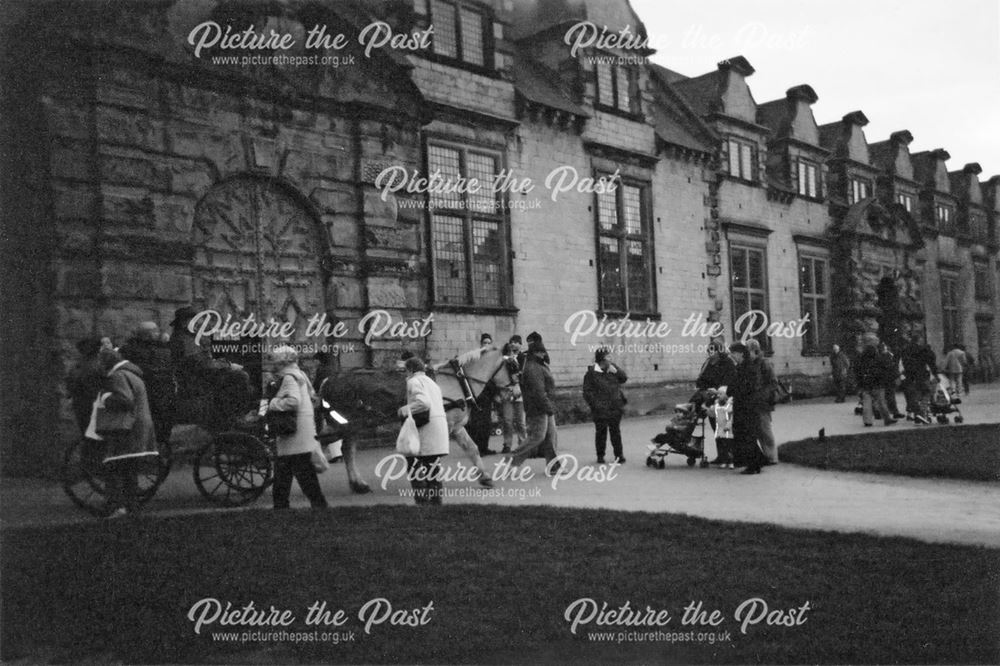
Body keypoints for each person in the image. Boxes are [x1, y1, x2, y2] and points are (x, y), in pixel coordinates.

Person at [97, 347, 158, 516]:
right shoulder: (132, 374)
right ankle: (132, 507)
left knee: (114, 467)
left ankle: (116, 506)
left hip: (127, 429)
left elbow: (125, 401)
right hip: (139, 427)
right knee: (129, 470)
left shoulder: (117, 376)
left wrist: (104, 397)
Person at [268, 346, 328, 510]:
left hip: (294, 432)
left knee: (292, 471)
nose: (271, 363)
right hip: (301, 430)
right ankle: (315, 505)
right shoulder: (299, 375)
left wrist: (272, 403)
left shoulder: (288, 378)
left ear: (281, 362)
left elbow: (293, 401)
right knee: (295, 471)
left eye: (273, 360)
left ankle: (284, 506)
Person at [169, 306, 251, 420]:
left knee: (236, 375)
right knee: (240, 376)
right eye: (195, 321)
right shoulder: (185, 339)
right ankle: (236, 417)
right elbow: (202, 364)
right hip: (195, 381)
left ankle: (233, 417)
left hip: (198, 376)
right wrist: (229, 365)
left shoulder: (188, 337)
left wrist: (223, 364)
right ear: (184, 323)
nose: (199, 323)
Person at [397, 356, 450, 505]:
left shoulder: (413, 381)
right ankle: (436, 502)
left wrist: (405, 409)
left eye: (405, 370)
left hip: (425, 430)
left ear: (411, 370)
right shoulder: (432, 383)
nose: (405, 374)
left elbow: (423, 402)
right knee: (432, 469)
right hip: (438, 429)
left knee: (413, 465)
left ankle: (421, 501)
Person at [120, 321, 176, 445]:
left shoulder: (163, 347)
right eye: (153, 331)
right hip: (147, 390)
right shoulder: (133, 349)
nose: (156, 333)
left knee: (162, 420)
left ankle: (160, 446)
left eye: (156, 331)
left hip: (161, 390)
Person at [509, 339, 560, 475]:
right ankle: (513, 459)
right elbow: (538, 392)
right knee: (537, 437)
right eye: (540, 351)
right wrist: (549, 408)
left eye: (543, 351)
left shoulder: (538, 365)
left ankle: (553, 466)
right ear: (535, 352)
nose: (543, 354)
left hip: (544, 406)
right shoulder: (533, 367)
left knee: (551, 436)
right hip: (538, 407)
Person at [582, 348, 628, 464]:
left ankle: (619, 455)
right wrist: (596, 405)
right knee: (601, 432)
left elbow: (624, 378)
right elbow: (587, 392)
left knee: (615, 432)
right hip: (600, 409)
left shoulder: (613, 368)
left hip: (615, 406)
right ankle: (600, 456)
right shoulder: (592, 373)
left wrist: (616, 372)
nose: (611, 358)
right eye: (608, 357)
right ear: (602, 359)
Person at [694, 339, 737, 464]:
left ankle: (731, 454)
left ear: (719, 351)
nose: (710, 353)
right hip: (710, 399)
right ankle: (722, 455)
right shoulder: (707, 363)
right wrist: (705, 389)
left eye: (712, 351)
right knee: (715, 427)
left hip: (724, 399)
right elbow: (700, 379)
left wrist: (718, 390)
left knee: (724, 426)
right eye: (709, 351)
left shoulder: (727, 363)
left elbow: (731, 381)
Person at [728, 342, 766, 475]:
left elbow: (745, 387)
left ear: (740, 353)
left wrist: (731, 391)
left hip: (747, 406)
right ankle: (757, 462)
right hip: (744, 405)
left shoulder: (747, 368)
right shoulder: (742, 367)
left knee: (746, 435)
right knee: (745, 434)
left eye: (733, 353)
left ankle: (753, 465)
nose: (732, 356)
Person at [745, 339, 778, 465]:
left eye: (748, 352)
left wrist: (762, 395)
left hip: (763, 402)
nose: (747, 355)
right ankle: (766, 455)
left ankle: (772, 456)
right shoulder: (751, 364)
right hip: (754, 401)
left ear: (755, 351)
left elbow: (773, 382)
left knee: (765, 429)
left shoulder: (764, 363)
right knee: (758, 429)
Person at [466, 333, 498, 456]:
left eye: (489, 343)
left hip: (488, 394)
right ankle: (476, 449)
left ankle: (484, 447)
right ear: (481, 344)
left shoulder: (493, 359)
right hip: (477, 394)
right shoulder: (476, 358)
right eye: (485, 342)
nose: (487, 345)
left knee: (486, 423)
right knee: (476, 423)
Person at [67, 337, 106, 436]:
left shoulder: (77, 366)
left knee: (86, 434)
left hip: (81, 405)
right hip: (94, 406)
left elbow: (70, 386)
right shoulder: (97, 366)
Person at [855, 335, 896, 427]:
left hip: (866, 383)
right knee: (881, 402)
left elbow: (858, 370)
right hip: (877, 383)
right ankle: (887, 419)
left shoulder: (861, 357)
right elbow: (883, 368)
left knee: (867, 403)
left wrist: (860, 383)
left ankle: (868, 421)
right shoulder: (877, 355)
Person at [499, 335, 527, 454]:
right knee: (507, 420)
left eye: (516, 342)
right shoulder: (504, 358)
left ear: (520, 345)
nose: (514, 344)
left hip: (519, 391)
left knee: (520, 420)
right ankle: (507, 444)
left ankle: (523, 443)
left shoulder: (524, 357)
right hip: (507, 391)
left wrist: (519, 384)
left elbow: (524, 374)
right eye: (512, 342)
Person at [900, 332, 936, 424]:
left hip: (909, 376)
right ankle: (922, 412)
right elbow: (931, 362)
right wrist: (935, 373)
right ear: (919, 340)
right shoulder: (922, 349)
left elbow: (902, 363)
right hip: (921, 375)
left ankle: (916, 413)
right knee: (926, 392)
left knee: (913, 395)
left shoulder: (905, 350)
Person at [876, 342, 904, 420]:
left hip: (882, 380)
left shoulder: (877, 357)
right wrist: (897, 377)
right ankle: (894, 412)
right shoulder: (889, 356)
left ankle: (880, 413)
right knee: (890, 396)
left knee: (883, 397)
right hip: (889, 379)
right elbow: (894, 368)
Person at [710, 388, 734, 469]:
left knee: (729, 445)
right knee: (722, 445)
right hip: (719, 429)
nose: (718, 396)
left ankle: (731, 461)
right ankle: (724, 461)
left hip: (727, 429)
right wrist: (708, 409)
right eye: (718, 394)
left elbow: (731, 417)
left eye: (720, 394)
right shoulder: (716, 405)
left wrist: (728, 425)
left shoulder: (729, 406)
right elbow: (712, 414)